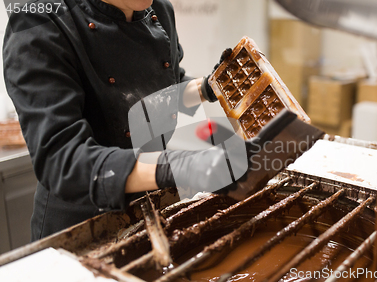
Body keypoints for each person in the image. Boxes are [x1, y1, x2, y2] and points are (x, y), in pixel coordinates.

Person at [3, 0, 247, 240]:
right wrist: (172, 168)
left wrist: (208, 87)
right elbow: (62, 161)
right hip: (83, 228)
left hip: (155, 210)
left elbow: (161, 87)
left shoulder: (158, 8)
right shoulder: (38, 20)